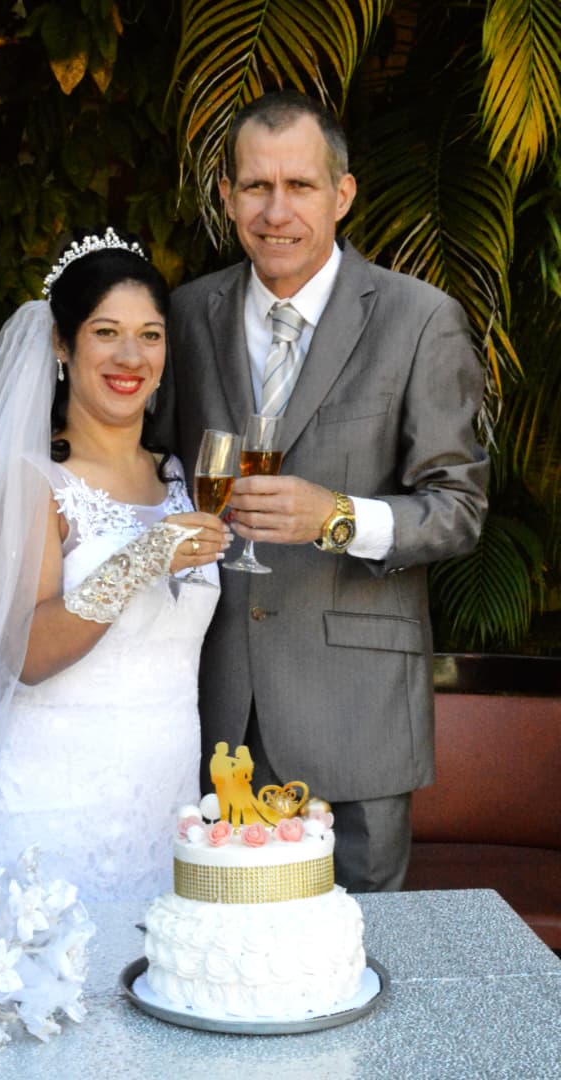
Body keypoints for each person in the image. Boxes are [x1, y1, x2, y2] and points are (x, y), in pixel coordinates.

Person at [152, 91, 489, 892]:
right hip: (211, 712)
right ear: (228, 197)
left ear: (342, 194)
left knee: (358, 961)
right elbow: (154, 475)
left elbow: (460, 510)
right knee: (228, 957)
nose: (276, 211)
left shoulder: (420, 320)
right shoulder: (185, 315)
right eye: (255, 187)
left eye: (299, 186)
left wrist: (338, 518)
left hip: (356, 718)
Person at [0, 227, 230, 901]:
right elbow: (27, 654)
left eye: (151, 334)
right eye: (106, 331)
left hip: (165, 796)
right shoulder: (31, 480)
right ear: (61, 344)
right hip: (50, 801)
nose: (131, 355)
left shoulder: (185, 480)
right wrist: (146, 556)